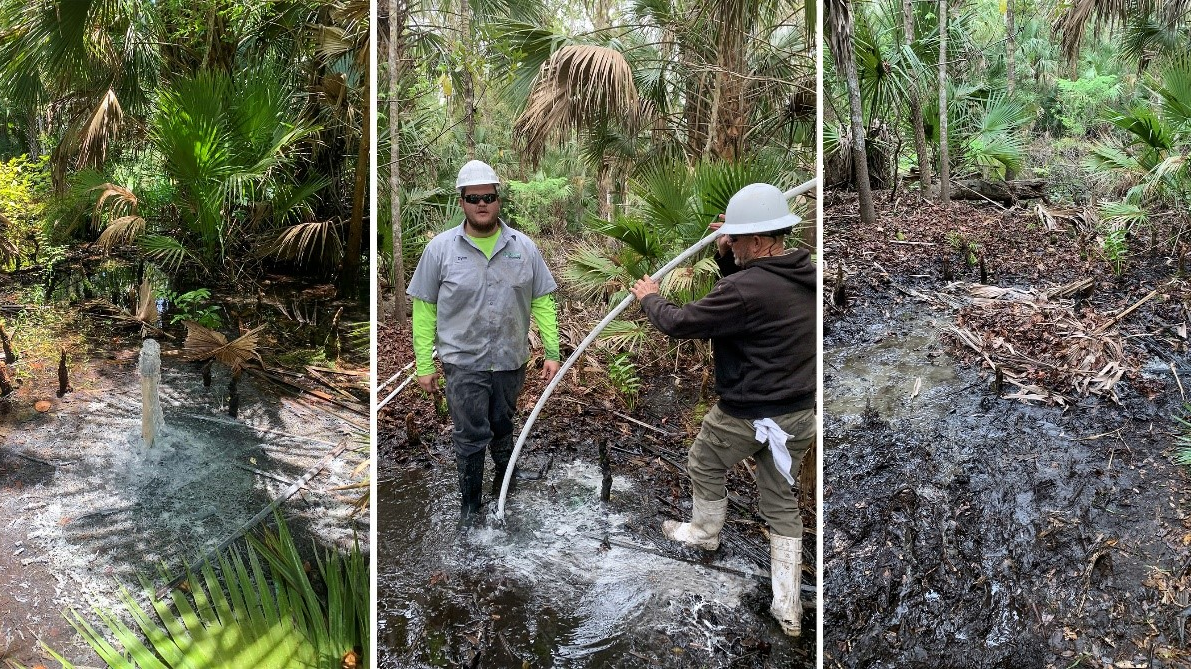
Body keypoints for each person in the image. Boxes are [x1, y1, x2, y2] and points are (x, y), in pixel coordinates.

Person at [629, 182, 815, 637]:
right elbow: (747, 296)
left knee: (704, 461)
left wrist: (650, 296)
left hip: (748, 413)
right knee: (779, 498)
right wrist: (729, 251)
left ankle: (704, 532)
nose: (730, 241)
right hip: (798, 415)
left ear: (757, 240)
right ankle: (787, 607)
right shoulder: (803, 272)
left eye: (738, 236)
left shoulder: (747, 289)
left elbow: (680, 322)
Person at [406, 159, 561, 527]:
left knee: (503, 423)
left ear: (498, 200)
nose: (481, 204)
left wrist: (552, 353)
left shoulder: (523, 247)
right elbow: (424, 309)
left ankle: (504, 492)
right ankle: (470, 508)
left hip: (510, 360)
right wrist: (424, 365)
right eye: (473, 197)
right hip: (463, 363)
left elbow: (542, 301)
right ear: (461, 201)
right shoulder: (441, 250)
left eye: (488, 197)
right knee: (471, 434)